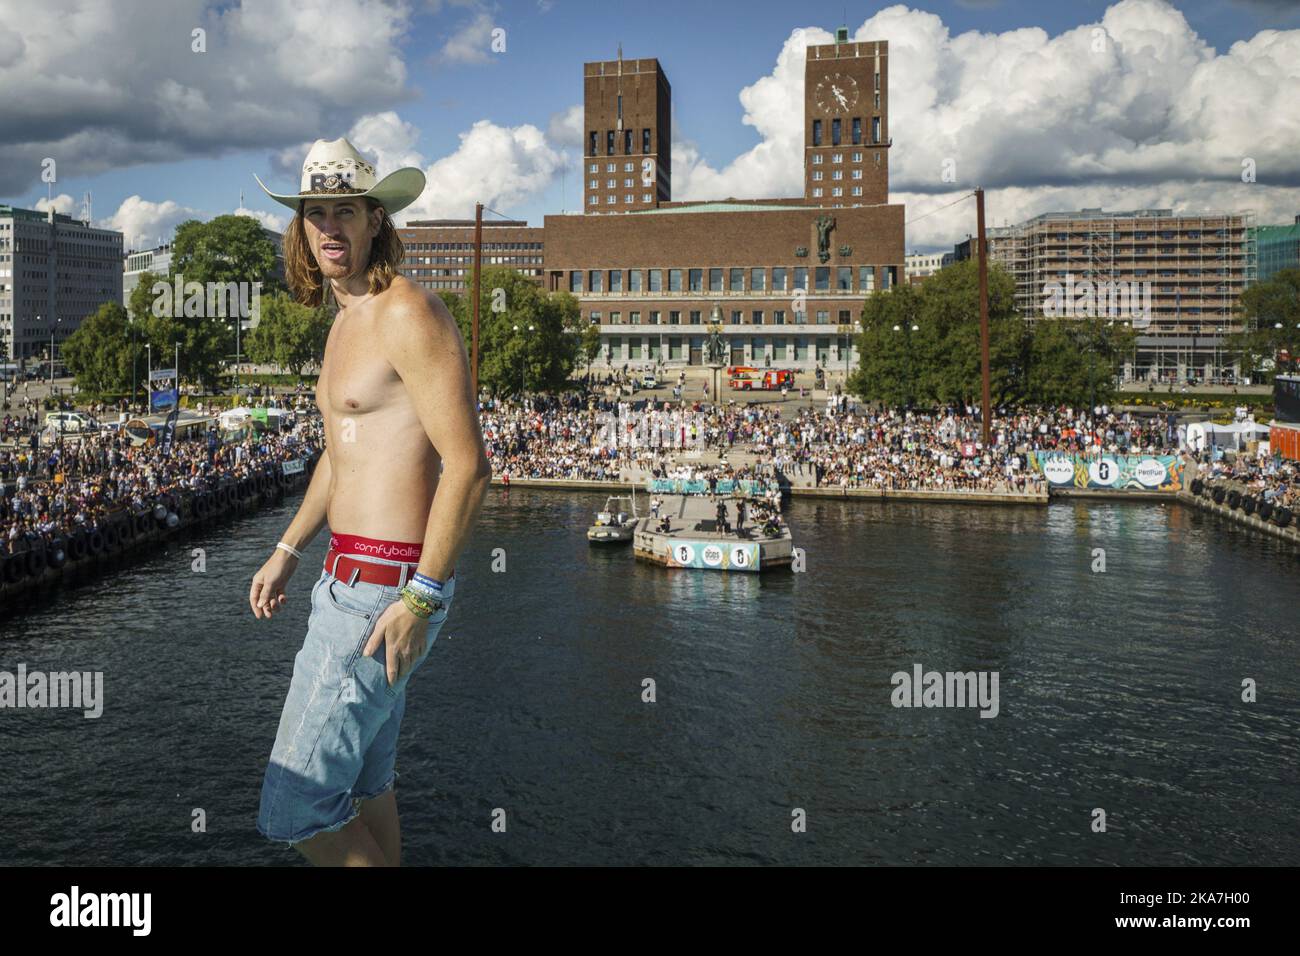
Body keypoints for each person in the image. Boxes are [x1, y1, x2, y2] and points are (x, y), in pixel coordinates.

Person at [248, 137, 492, 867]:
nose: (327, 226)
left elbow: (469, 465)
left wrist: (420, 600)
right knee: (364, 784)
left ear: (376, 220)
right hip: (348, 578)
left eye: (343, 211)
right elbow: (339, 453)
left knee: (293, 804)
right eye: (313, 212)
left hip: (383, 592)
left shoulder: (405, 313)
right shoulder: (346, 319)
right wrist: (288, 550)